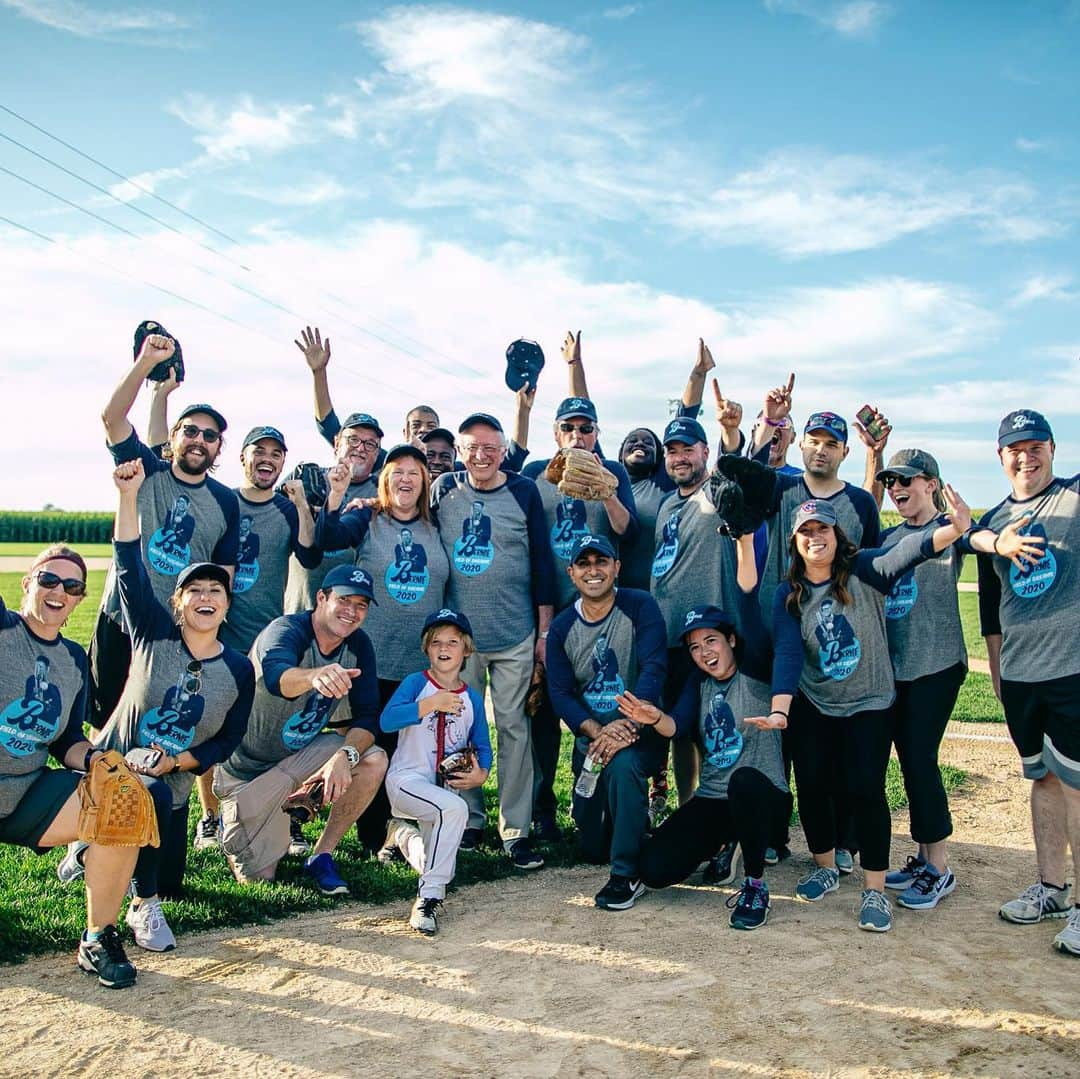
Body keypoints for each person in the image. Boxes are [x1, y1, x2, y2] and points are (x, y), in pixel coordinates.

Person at [753, 493, 971, 933]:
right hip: (816, 701)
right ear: (795, 542)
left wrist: (954, 529)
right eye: (806, 532)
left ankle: (874, 890)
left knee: (865, 790)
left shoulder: (865, 569)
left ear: (837, 535)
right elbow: (790, 651)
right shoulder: (788, 592)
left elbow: (911, 550)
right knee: (812, 785)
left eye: (823, 529)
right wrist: (781, 709)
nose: (815, 537)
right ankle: (826, 866)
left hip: (870, 702)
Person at [80, 461, 254, 951]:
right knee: (147, 799)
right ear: (178, 603)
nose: (205, 597)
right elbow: (129, 564)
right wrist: (129, 497)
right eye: (194, 591)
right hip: (112, 769)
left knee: (170, 863)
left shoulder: (239, 669)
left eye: (214, 591)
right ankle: (142, 904)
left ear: (226, 604)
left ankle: (95, 850)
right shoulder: (153, 632)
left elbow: (227, 739)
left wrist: (177, 761)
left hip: (172, 781)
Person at [627, 536, 787, 930]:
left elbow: (750, 607)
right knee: (654, 869)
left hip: (763, 794)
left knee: (746, 782)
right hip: (714, 798)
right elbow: (677, 725)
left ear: (730, 640)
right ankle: (722, 842)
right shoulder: (698, 684)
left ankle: (755, 885)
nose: (703, 653)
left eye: (711, 641)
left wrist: (746, 542)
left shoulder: (755, 672)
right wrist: (653, 717)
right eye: (695, 647)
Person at [1, 545, 142, 988]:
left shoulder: (74, 660)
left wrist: (97, 758)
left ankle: (98, 938)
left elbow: (65, 740)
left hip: (25, 793)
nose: (59, 591)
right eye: (48, 580)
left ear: (81, 598)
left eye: (72, 586)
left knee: (123, 803)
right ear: (28, 583)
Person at [974, 410, 1079, 957]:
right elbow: (991, 606)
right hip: (1021, 674)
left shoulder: (1072, 498)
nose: (1025, 456)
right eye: (1015, 448)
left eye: (1035, 445)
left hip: (1071, 669)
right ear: (1000, 456)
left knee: (1079, 784)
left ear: (1053, 449)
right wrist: (996, 667)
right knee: (1042, 780)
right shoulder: (992, 521)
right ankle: (1052, 888)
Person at [93, 332, 239, 728]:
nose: (199, 440)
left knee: (160, 725)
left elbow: (222, 574)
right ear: (173, 438)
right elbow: (113, 418)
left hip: (176, 634)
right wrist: (145, 364)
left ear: (218, 449)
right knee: (107, 722)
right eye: (190, 431)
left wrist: (206, 629)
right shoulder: (148, 469)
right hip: (122, 618)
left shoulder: (226, 501)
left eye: (210, 436)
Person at [213, 565, 387, 894]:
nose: (352, 612)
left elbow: (367, 717)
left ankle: (322, 854)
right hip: (248, 770)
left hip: (297, 757)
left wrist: (344, 756)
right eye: (344, 600)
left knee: (371, 759)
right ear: (321, 598)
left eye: (361, 605)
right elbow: (277, 677)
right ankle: (236, 816)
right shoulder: (286, 630)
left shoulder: (358, 646)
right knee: (260, 878)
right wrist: (313, 676)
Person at [431, 413, 555, 869]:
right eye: (471, 448)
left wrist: (542, 632)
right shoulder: (444, 489)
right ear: (460, 453)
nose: (481, 456)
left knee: (513, 730)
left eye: (490, 448)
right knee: (459, 727)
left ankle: (516, 830)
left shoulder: (523, 490)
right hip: (461, 639)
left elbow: (542, 563)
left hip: (515, 632)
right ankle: (467, 817)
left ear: (504, 451)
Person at [315, 443, 451, 855]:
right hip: (371, 659)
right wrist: (337, 497)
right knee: (374, 746)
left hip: (418, 664)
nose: (406, 479)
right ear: (384, 480)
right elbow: (326, 538)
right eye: (397, 472)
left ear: (425, 481)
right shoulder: (366, 516)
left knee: (412, 751)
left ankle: (405, 830)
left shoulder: (437, 525)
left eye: (414, 472)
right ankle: (373, 835)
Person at [191, 425, 320, 856]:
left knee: (274, 734)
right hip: (219, 634)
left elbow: (308, 554)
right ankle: (209, 817)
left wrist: (302, 504)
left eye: (276, 453)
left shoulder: (286, 509)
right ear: (242, 457)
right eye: (258, 451)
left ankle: (280, 814)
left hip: (267, 639)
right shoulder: (224, 501)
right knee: (208, 727)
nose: (267, 459)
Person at [522, 397, 638, 840]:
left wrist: (607, 490)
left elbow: (628, 532)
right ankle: (541, 808)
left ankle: (593, 800)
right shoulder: (537, 474)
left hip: (600, 610)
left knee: (595, 702)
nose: (577, 435)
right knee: (544, 710)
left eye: (586, 428)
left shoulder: (616, 471)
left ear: (596, 432)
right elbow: (536, 552)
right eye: (568, 427)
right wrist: (544, 624)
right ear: (555, 433)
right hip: (553, 610)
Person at [545, 535, 667, 910]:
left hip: (640, 733)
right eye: (584, 563)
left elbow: (654, 666)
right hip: (593, 741)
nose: (593, 570)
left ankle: (625, 874)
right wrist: (599, 730)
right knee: (593, 846)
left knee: (625, 766)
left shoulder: (640, 606)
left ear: (617, 567)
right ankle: (632, 829)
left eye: (602, 561)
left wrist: (629, 724)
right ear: (572, 573)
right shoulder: (564, 627)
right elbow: (561, 693)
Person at [650, 416, 746, 805]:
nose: (679, 458)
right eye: (672, 451)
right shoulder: (666, 504)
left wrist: (732, 432)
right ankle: (688, 807)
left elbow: (737, 469)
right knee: (682, 730)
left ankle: (719, 807)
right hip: (671, 635)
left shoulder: (716, 491)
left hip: (707, 635)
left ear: (706, 451)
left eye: (688, 449)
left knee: (712, 728)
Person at [379, 609, 493, 934]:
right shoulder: (417, 684)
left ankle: (401, 836)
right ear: (427, 649)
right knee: (456, 809)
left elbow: (483, 744)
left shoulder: (470, 697)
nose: (444, 648)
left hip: (443, 791)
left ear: (466, 650)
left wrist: (481, 774)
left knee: (440, 862)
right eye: (436, 642)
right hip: (406, 781)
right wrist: (431, 704)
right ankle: (427, 900)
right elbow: (387, 721)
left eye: (453, 642)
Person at [282, 410, 384, 613]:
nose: (360, 448)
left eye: (370, 444)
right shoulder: (308, 478)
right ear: (337, 443)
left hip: (350, 617)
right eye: (353, 439)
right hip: (300, 610)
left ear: (377, 454)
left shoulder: (382, 491)